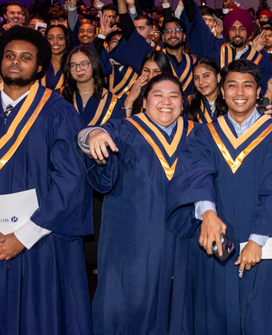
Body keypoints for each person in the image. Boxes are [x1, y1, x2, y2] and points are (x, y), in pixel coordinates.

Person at [165, 59, 272, 335]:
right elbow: (195, 173)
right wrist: (208, 214)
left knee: (267, 318)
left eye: (247, 86)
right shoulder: (204, 134)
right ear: (222, 92)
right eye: (232, 86)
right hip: (216, 242)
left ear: (258, 91)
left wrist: (257, 239)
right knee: (213, 314)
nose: (240, 92)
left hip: (264, 243)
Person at [0, 26, 93, 334]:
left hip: (38, 242)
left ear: (40, 66)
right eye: (9, 56)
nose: (15, 62)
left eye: (25, 58)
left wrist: (24, 235)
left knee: (38, 320)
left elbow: (70, 181)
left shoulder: (58, 112)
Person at [77, 74, 193, 335]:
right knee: (126, 307)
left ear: (183, 103)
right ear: (144, 100)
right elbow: (91, 135)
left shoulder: (197, 133)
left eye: (174, 96)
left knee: (179, 307)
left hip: (181, 240)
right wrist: (93, 133)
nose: (166, 101)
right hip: (130, 242)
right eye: (158, 95)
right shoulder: (124, 129)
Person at [175, 0, 272, 94]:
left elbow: (265, 95)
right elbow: (197, 24)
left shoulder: (263, 61)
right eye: (233, 29)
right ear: (227, 31)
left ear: (249, 33)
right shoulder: (215, 48)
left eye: (242, 29)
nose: (237, 33)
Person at [61, 46, 124, 126]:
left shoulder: (112, 101)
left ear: (94, 64)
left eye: (84, 64)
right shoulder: (59, 96)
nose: (78, 69)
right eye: (73, 65)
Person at [123, 49, 174, 116]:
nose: (150, 76)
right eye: (146, 70)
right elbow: (122, 125)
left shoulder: (174, 97)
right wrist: (130, 100)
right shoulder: (129, 96)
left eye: (156, 71)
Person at [185, 57, 225, 123]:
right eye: (196, 78)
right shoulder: (189, 103)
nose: (201, 82)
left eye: (206, 76)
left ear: (218, 77)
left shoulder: (229, 102)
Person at [41, 23, 71, 90]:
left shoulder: (72, 65)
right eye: (50, 38)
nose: (55, 42)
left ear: (66, 40)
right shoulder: (39, 63)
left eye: (60, 38)